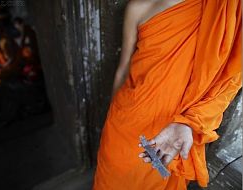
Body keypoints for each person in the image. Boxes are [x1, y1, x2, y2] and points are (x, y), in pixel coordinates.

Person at [93, 0, 241, 189]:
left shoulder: (219, 9)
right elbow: (123, 70)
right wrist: (111, 119)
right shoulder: (137, 7)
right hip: (126, 121)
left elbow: (230, 77)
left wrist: (188, 123)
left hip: (172, 128)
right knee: (112, 181)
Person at [13, 17, 41, 82]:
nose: (17, 28)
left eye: (16, 25)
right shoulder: (24, 31)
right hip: (31, 54)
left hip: (33, 53)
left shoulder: (26, 29)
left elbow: (24, 43)